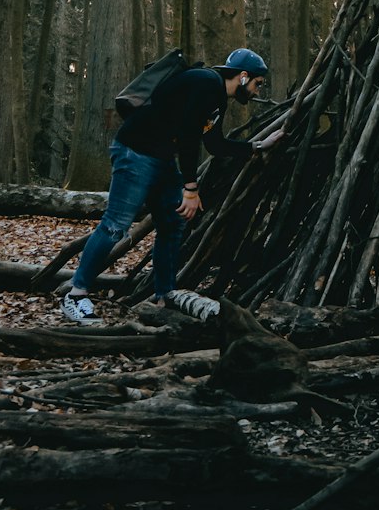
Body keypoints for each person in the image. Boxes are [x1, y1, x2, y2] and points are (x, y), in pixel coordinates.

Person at [60, 48, 283, 324]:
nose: (257, 91)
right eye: (257, 84)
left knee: (172, 221)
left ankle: (164, 294)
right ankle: (76, 295)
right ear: (244, 76)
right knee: (116, 224)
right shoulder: (205, 83)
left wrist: (257, 146)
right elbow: (190, 136)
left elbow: (214, 144)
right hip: (135, 151)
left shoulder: (216, 98)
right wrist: (191, 188)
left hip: (160, 158)